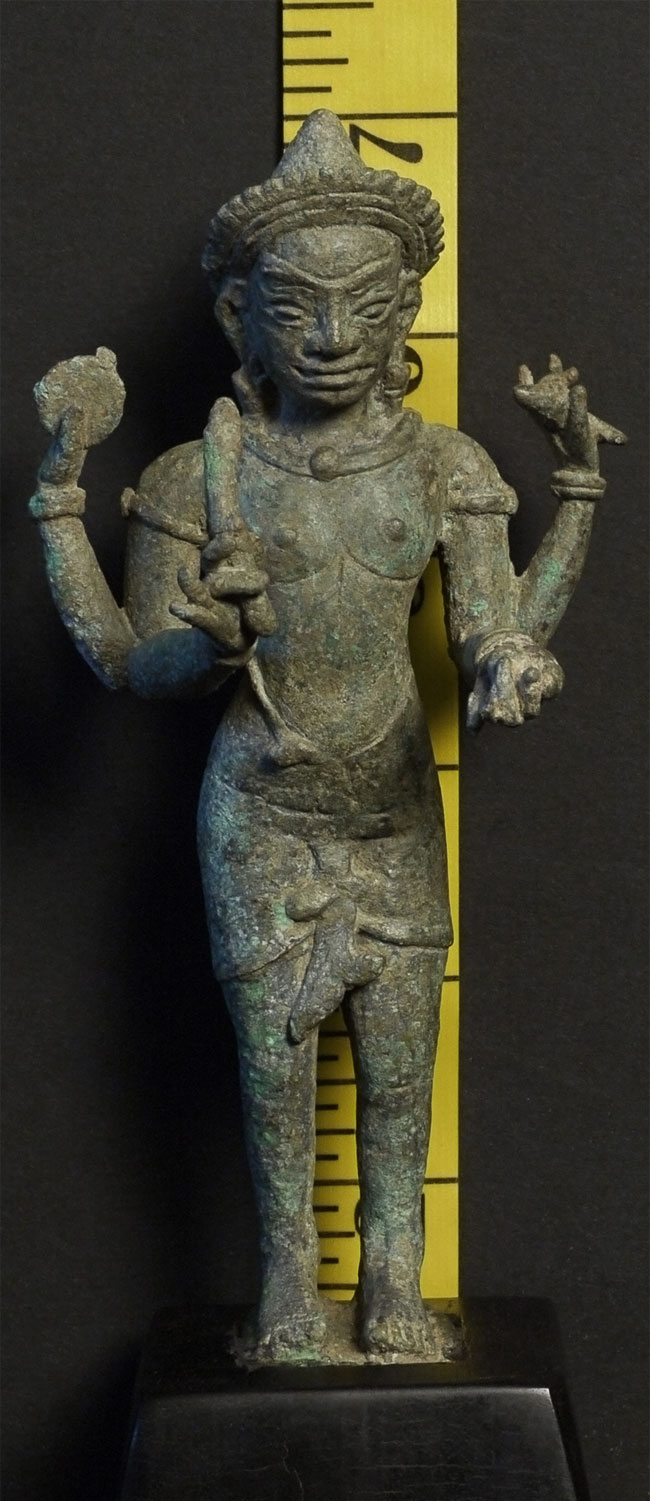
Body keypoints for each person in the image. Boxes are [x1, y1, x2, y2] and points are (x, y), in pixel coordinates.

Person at [30, 111, 624, 1361]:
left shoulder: (441, 465)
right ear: (239, 317)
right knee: (274, 1070)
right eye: (296, 304)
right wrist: (203, 634)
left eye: (363, 303)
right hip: (260, 812)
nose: (332, 335)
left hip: (392, 809)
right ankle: (287, 1290)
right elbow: (135, 664)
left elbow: (490, 626)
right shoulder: (194, 477)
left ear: (405, 311)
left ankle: (394, 1282)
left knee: (400, 1070)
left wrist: (528, 620)